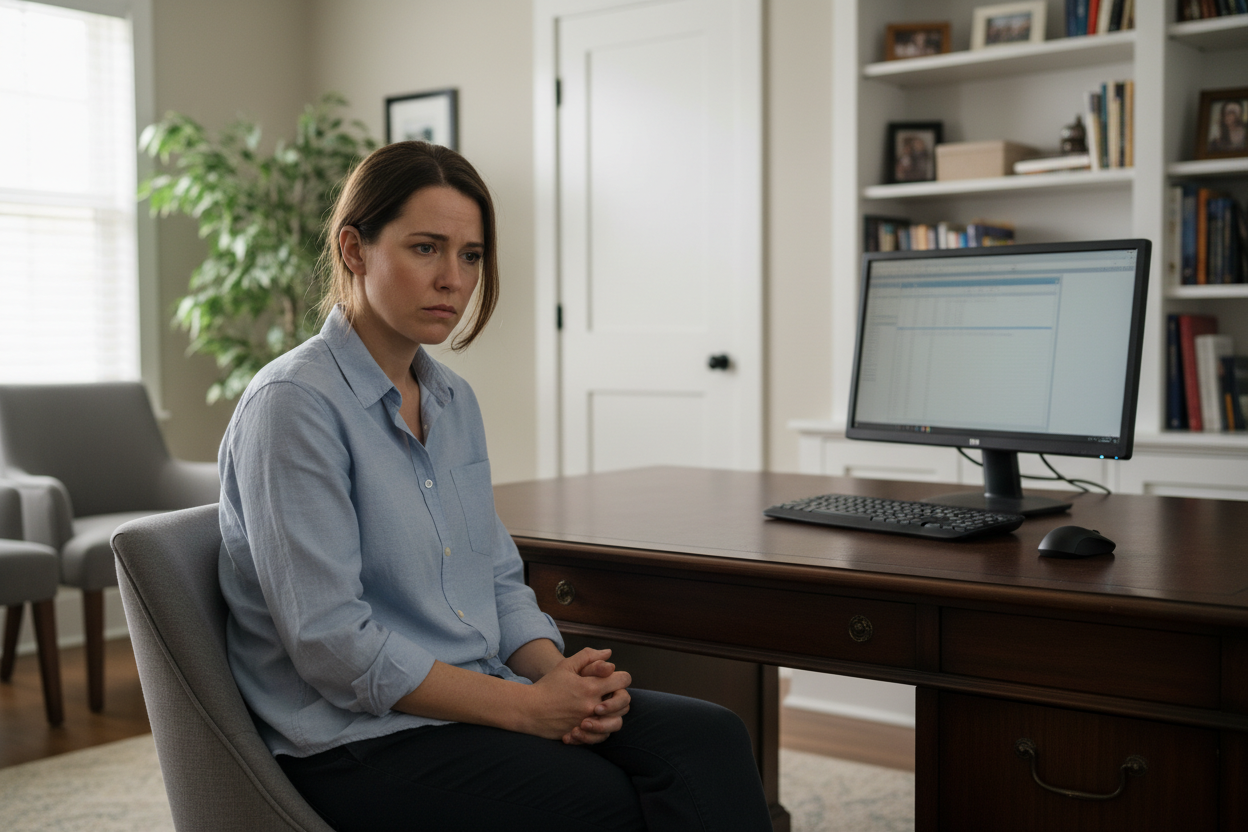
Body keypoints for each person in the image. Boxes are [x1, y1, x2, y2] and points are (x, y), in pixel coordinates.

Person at [217, 140, 773, 831]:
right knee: (607, 800)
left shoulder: (452, 401)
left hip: (477, 697)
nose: (454, 278)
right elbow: (334, 646)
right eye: (426, 249)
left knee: (713, 737)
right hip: (354, 742)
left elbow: (497, 582)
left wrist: (557, 678)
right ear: (355, 250)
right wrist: (526, 709)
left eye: (471, 255)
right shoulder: (292, 405)